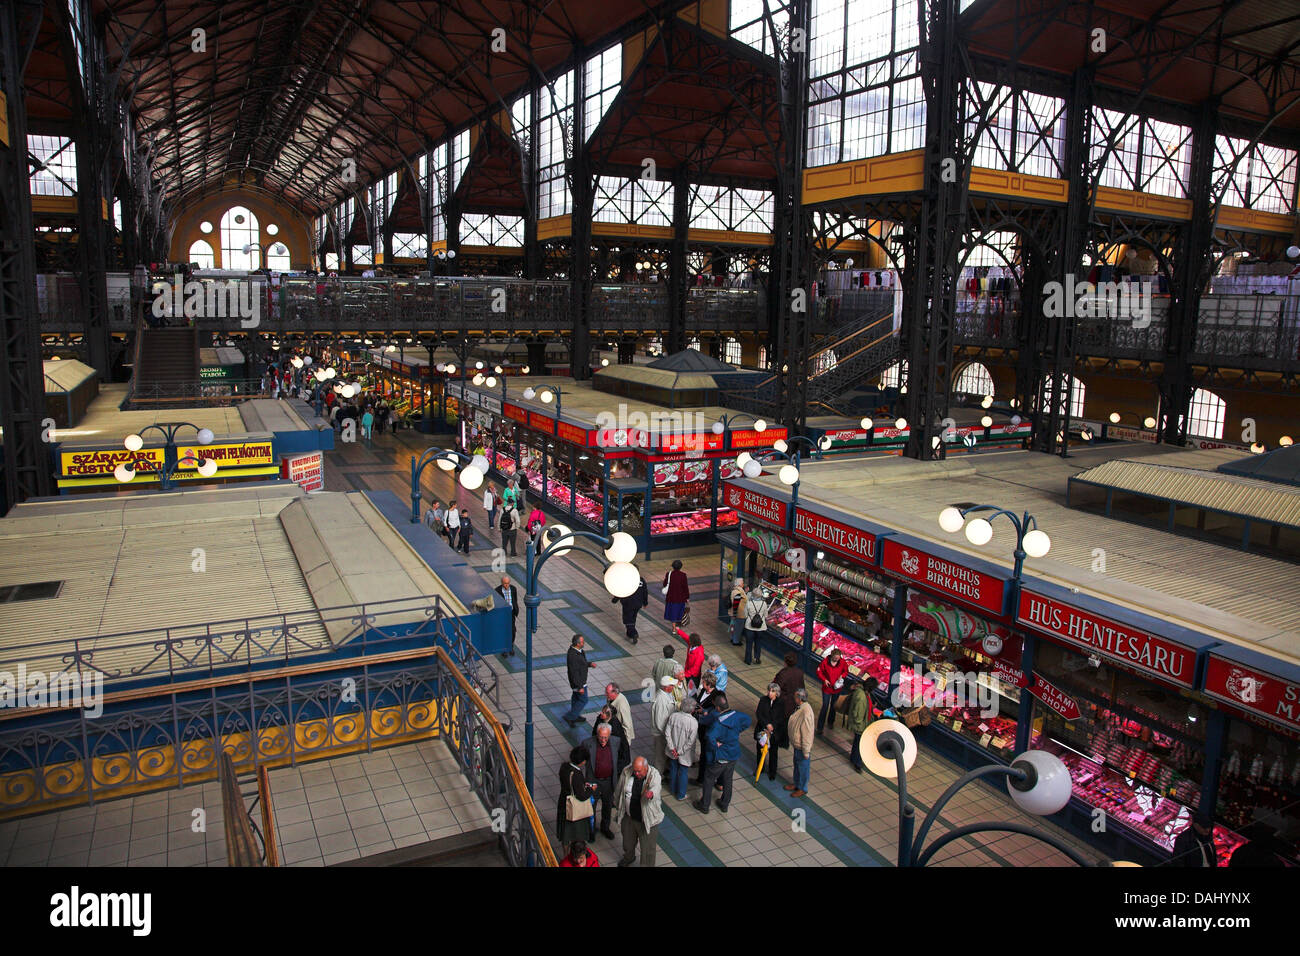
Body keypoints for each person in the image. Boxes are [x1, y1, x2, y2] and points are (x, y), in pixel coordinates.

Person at [695, 693, 751, 815]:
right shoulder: (737, 716)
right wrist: (737, 730)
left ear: (718, 708)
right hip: (733, 755)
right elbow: (748, 720)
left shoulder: (718, 724)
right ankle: (724, 804)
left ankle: (705, 805)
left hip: (719, 757)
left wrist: (716, 745)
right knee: (728, 780)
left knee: (709, 779)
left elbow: (709, 737)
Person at [613, 756, 663, 868]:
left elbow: (656, 788)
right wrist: (617, 803)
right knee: (627, 842)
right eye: (634, 770)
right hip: (629, 817)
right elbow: (620, 788)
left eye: (639, 771)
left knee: (648, 849)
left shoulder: (654, 775)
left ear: (646, 768)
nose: (636, 773)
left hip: (646, 819)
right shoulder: (627, 771)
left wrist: (650, 794)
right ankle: (629, 857)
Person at [582, 723, 627, 841]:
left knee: (607, 806)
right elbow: (582, 762)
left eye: (606, 737)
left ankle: (605, 827)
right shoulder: (587, 743)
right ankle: (590, 830)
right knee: (591, 807)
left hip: (608, 781)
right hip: (593, 781)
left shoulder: (616, 742)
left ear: (610, 735)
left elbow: (623, 756)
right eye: (601, 737)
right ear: (597, 734)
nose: (603, 740)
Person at [557, 746, 597, 846]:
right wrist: (590, 789)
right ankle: (574, 853)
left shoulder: (564, 767)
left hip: (564, 802)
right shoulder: (576, 774)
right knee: (574, 834)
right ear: (582, 761)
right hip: (573, 808)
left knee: (565, 836)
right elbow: (581, 796)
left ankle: (565, 855)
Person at [664, 697, 698, 801]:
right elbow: (690, 741)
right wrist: (680, 751)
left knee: (673, 768)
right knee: (683, 771)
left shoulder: (673, 716)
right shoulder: (693, 722)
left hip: (672, 750)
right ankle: (681, 794)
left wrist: (672, 748)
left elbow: (667, 733)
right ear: (692, 710)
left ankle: (672, 788)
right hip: (684, 753)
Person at [786, 688, 815, 798]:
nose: (794, 699)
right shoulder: (801, 708)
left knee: (803, 767)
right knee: (797, 765)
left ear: (799, 698)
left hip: (802, 747)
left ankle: (802, 788)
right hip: (797, 744)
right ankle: (796, 783)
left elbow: (807, 732)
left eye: (795, 697)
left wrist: (806, 751)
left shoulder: (806, 712)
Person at [845, 677, 877, 773]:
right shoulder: (861, 696)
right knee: (861, 744)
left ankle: (853, 758)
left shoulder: (863, 693)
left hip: (862, 722)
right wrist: (860, 725)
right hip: (861, 725)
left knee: (857, 741)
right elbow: (858, 713)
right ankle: (857, 763)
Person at [755, 683, 784, 783]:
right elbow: (759, 714)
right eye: (769, 690)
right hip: (763, 730)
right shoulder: (763, 700)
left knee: (773, 753)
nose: (769, 693)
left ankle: (772, 772)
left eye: (772, 691)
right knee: (760, 750)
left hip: (774, 733)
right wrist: (766, 725)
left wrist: (772, 727)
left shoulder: (780, 703)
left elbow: (780, 718)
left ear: (777, 693)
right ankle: (760, 768)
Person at [816, 648, 849, 735]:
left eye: (838, 658)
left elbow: (846, 671)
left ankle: (831, 722)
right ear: (832, 656)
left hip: (837, 688)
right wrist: (824, 680)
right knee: (825, 706)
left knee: (833, 706)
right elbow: (819, 672)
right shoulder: (825, 662)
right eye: (835, 658)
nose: (837, 660)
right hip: (827, 688)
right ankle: (820, 727)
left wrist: (842, 676)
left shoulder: (842, 662)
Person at [563, 634, 594, 726]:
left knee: (576, 698)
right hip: (579, 682)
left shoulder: (579, 651)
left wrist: (589, 664)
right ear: (577, 643)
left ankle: (575, 715)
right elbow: (574, 672)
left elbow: (581, 663)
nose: (584, 643)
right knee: (583, 700)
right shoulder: (573, 655)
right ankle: (570, 716)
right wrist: (580, 686)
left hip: (580, 681)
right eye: (582, 642)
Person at [611, 574, 649, 644]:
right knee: (633, 618)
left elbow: (621, 591)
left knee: (627, 620)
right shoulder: (641, 580)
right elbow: (645, 592)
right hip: (638, 603)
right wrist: (645, 602)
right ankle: (629, 633)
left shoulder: (626, 580)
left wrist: (615, 600)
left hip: (628, 603)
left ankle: (634, 633)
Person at [650, 676, 677, 774]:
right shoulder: (661, 700)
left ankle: (664, 772)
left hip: (665, 732)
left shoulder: (667, 694)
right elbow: (660, 721)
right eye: (672, 685)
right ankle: (658, 776)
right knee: (660, 757)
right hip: (661, 734)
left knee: (664, 755)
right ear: (666, 687)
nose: (673, 687)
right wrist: (667, 735)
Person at [742, 583, 772, 666]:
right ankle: (757, 658)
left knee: (749, 644)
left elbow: (745, 614)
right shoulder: (764, 604)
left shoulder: (749, 603)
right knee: (758, 643)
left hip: (749, 627)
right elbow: (766, 615)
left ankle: (748, 660)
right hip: (760, 628)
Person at [495, 575, 518, 658]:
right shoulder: (497, 591)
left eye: (508, 583)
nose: (506, 585)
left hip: (511, 612)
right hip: (502, 614)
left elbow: (515, 599)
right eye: (505, 583)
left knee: (512, 630)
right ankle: (504, 649)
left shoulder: (513, 589)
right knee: (503, 631)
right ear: (502, 583)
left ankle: (510, 646)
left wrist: (515, 609)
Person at [661, 559, 690, 625]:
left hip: (671, 598)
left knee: (672, 613)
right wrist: (687, 597)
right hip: (680, 598)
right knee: (678, 612)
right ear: (681, 567)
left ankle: (674, 627)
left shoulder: (669, 574)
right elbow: (685, 587)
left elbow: (665, 584)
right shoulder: (683, 575)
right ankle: (676, 625)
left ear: (673, 566)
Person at [727, 577, 748, 646]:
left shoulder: (735, 590)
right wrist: (735, 615)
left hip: (735, 613)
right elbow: (736, 605)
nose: (743, 584)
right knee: (738, 628)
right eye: (742, 583)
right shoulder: (738, 593)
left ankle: (733, 638)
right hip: (739, 614)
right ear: (739, 584)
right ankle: (736, 641)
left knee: (733, 627)